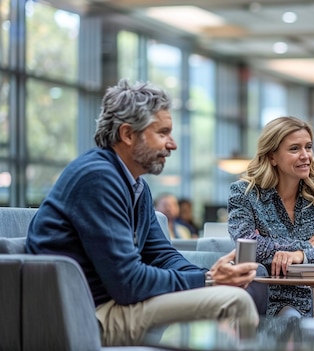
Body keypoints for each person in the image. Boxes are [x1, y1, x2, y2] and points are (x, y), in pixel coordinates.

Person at [26, 79, 260, 346]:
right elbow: (128, 283)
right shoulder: (97, 178)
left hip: (112, 304)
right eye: (162, 133)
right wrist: (208, 279)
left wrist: (213, 275)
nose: (172, 144)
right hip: (87, 315)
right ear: (127, 134)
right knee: (235, 301)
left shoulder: (135, 184)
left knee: (238, 290)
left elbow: (161, 254)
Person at [227, 116, 314, 318]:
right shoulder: (244, 193)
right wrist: (309, 245)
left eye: (308, 147)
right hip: (276, 298)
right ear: (272, 157)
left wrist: (300, 255)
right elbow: (248, 247)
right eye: (294, 149)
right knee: (290, 320)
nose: (305, 156)